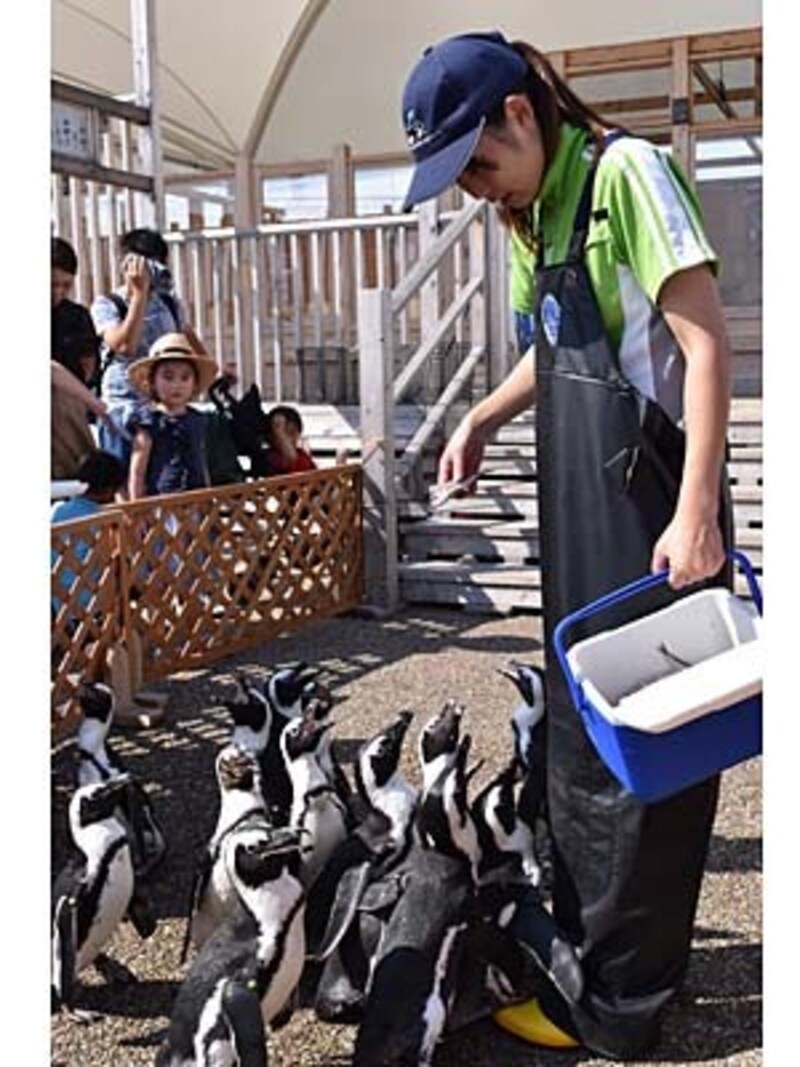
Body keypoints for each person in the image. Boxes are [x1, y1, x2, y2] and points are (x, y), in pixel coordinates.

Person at [400, 31, 733, 1058]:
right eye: (455, 183)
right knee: (576, 736)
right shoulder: (530, 211)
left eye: (477, 164)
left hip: (648, 510)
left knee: (647, 749)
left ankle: (624, 1002)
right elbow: (552, 351)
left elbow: (703, 340)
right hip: (575, 509)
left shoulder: (627, 174)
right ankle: (594, 960)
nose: (474, 192)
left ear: (517, 113)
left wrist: (696, 510)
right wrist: (484, 416)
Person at [90, 227, 211, 470]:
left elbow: (193, 350)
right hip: (122, 410)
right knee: (123, 483)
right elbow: (125, 345)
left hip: (162, 410)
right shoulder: (108, 304)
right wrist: (138, 296)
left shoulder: (169, 303)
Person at [126, 332, 218, 500]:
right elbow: (137, 470)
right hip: (162, 499)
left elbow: (202, 459)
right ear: (152, 382)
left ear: (194, 384)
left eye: (185, 378)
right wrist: (136, 507)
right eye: (168, 377)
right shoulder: (149, 420)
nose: (177, 385)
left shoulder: (197, 419)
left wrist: (208, 494)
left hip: (195, 497)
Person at [51, 237, 111, 478]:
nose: (58, 292)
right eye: (52, 284)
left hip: (73, 408)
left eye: (65, 285)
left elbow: (89, 365)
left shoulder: (76, 316)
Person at [51, 449, 126, 613]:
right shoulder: (104, 521)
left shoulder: (56, 511)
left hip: (57, 605)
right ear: (110, 489)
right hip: (93, 606)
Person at [261, 405, 317, 476]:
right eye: (286, 433)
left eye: (294, 432)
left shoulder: (302, 454)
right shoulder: (270, 457)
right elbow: (291, 460)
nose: (290, 439)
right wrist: (280, 433)